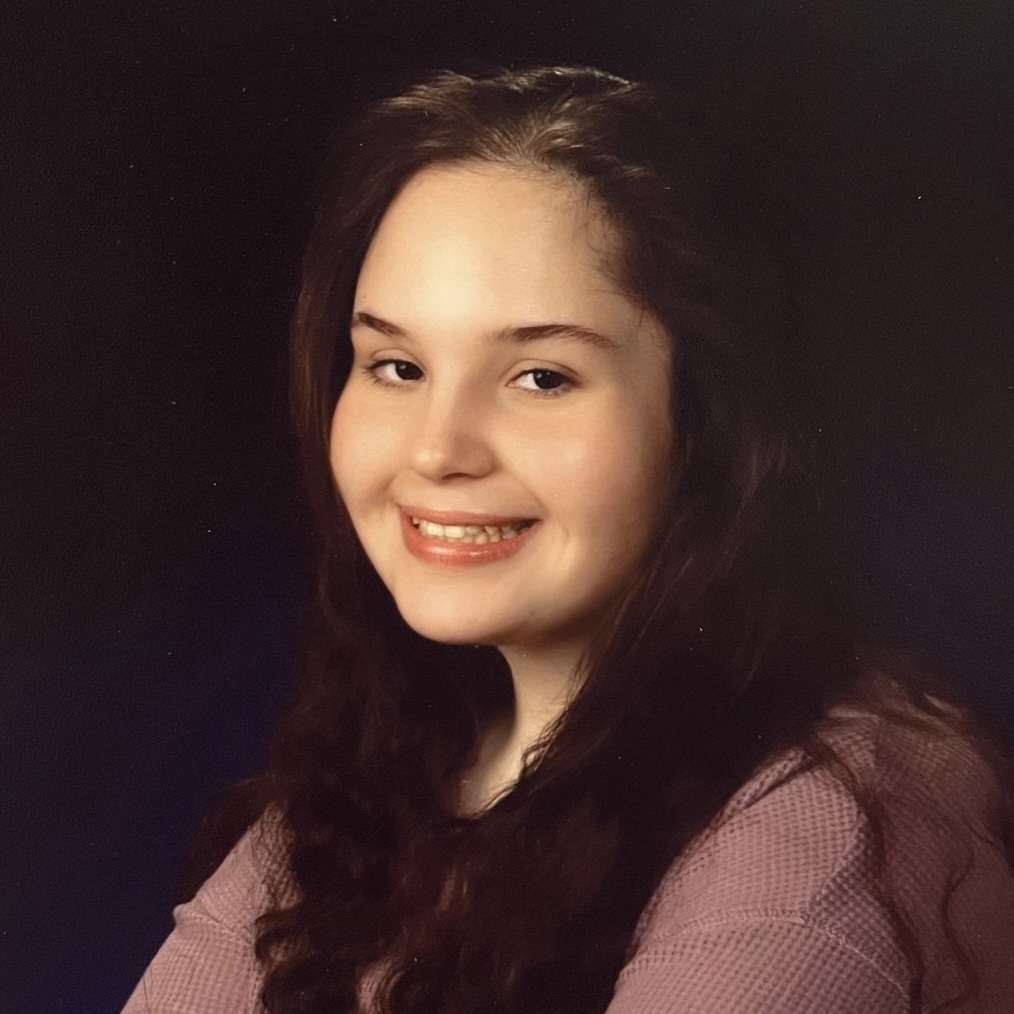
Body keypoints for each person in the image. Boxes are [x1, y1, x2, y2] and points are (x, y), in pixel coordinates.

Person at [123, 65, 1014, 1014]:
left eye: (540, 377)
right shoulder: (394, 768)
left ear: (707, 419)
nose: (437, 448)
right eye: (395, 365)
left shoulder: (827, 823)